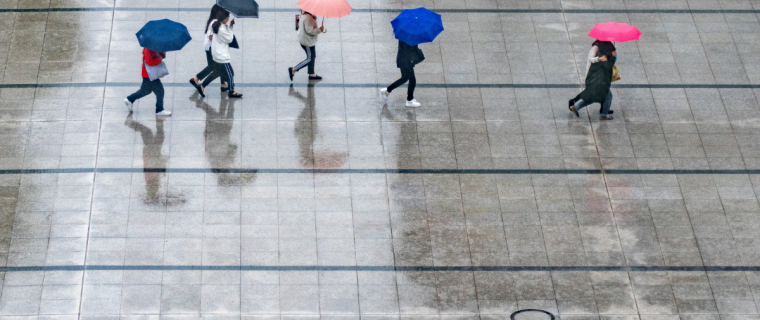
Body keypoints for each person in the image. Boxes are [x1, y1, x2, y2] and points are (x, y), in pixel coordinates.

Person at [189, 4, 229, 97]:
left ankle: (223, 85)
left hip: (210, 47)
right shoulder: (214, 22)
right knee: (216, 67)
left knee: (217, 66)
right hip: (211, 48)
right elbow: (211, 37)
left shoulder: (215, 21)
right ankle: (197, 79)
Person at [569, 41, 616, 120]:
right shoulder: (601, 57)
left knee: (592, 97)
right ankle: (604, 114)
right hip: (598, 81)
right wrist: (613, 57)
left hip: (596, 80)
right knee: (608, 96)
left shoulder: (600, 54)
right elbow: (608, 66)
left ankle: (576, 107)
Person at [124, 48, 171, 116]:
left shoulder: (152, 47)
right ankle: (159, 110)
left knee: (145, 91)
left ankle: (130, 99)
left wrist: (163, 54)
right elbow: (149, 62)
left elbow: (156, 55)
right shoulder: (148, 49)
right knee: (160, 91)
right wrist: (159, 59)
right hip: (149, 75)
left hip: (148, 74)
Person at [379, 40, 424, 108]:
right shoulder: (408, 37)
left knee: (405, 78)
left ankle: (387, 90)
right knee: (412, 80)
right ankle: (409, 100)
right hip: (406, 61)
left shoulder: (405, 35)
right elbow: (408, 49)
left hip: (404, 60)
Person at [211, 10, 243, 98]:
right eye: (227, 17)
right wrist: (231, 29)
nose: (228, 19)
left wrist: (230, 26)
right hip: (222, 56)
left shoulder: (217, 24)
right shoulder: (221, 29)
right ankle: (231, 91)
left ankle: (203, 85)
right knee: (230, 74)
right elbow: (229, 39)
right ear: (224, 18)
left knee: (221, 73)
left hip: (218, 54)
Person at [288, 11, 324, 81]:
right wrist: (319, 30)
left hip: (309, 40)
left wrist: (313, 18)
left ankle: (312, 73)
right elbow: (309, 30)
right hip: (307, 41)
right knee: (309, 59)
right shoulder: (308, 17)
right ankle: (293, 69)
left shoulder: (306, 14)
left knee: (312, 55)